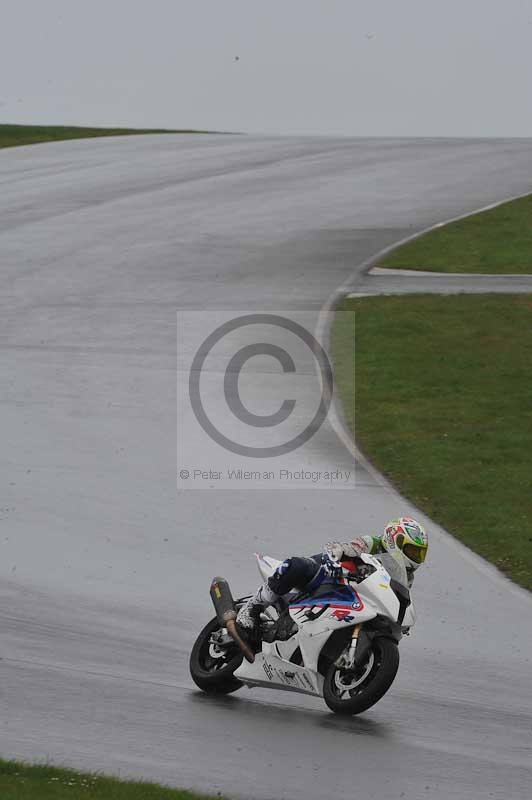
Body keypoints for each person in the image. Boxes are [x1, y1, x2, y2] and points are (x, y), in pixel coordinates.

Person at [236, 516, 428, 633]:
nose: (416, 558)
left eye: (419, 553)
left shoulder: (406, 577)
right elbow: (349, 549)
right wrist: (343, 555)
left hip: (356, 598)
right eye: (412, 551)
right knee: (297, 566)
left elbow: (396, 599)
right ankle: (253, 607)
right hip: (332, 573)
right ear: (396, 540)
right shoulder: (372, 543)